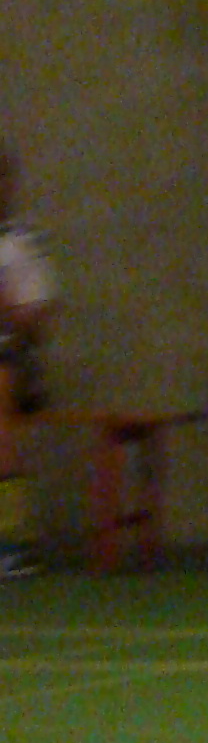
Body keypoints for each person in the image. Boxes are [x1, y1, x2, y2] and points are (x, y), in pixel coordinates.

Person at [0, 146, 54, 578]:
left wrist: (10, 307)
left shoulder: (19, 245)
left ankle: (9, 544)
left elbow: (35, 318)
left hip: (8, 357)